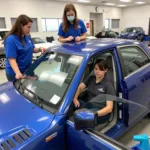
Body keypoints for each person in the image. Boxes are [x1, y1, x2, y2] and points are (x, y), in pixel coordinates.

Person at [4, 14, 46, 81]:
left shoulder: (26, 36)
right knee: (20, 90)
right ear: (21, 26)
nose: (29, 30)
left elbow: (32, 49)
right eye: (28, 27)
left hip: (27, 69)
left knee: (33, 83)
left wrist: (40, 49)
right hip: (15, 72)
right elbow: (11, 59)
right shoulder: (11, 40)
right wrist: (18, 73)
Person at [73, 60, 115, 124]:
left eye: (101, 69)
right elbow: (80, 87)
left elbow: (109, 108)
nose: (97, 71)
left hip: (100, 111)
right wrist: (75, 98)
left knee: (84, 120)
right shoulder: (91, 78)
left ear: (106, 70)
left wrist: (94, 114)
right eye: (96, 69)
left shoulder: (108, 85)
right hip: (89, 105)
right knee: (71, 104)